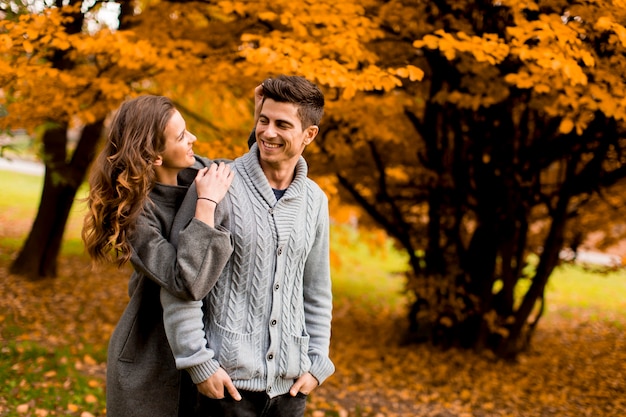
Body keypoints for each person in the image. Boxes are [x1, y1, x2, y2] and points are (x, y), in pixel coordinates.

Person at [161, 75, 335, 416]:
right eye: (263, 120)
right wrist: (199, 362)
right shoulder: (217, 184)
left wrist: (317, 363)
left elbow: (316, 289)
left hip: (291, 390)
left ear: (308, 135)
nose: (268, 132)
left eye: (283, 124)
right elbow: (183, 283)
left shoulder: (315, 200)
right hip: (225, 389)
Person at [81, 95, 235, 417]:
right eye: (180, 137)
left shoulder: (203, 174)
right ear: (154, 157)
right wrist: (205, 206)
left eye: (187, 130)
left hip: (212, 350)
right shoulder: (135, 217)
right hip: (147, 359)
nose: (192, 139)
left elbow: (249, 165)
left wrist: (263, 108)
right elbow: (186, 281)